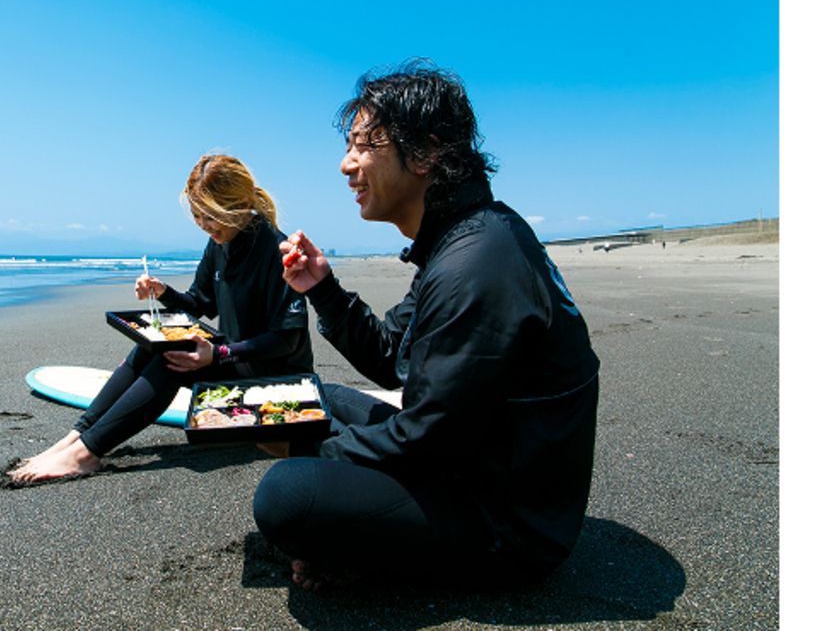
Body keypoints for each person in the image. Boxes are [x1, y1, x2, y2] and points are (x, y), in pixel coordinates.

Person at [253, 59, 601, 592]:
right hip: (477, 458)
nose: (346, 165)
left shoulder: (477, 263)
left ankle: (373, 559)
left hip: (510, 524)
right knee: (311, 398)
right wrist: (321, 287)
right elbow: (391, 357)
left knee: (287, 494)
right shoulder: (461, 238)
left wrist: (306, 455)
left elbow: (429, 439)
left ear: (426, 151)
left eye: (363, 145)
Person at [9, 154, 314, 483]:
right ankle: (76, 438)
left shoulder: (277, 251)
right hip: (239, 366)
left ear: (240, 204)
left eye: (210, 216)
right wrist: (163, 291)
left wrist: (219, 354)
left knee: (173, 361)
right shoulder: (221, 242)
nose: (203, 225)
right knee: (153, 345)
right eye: (197, 216)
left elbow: (288, 339)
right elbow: (198, 302)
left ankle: (86, 454)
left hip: (278, 388)